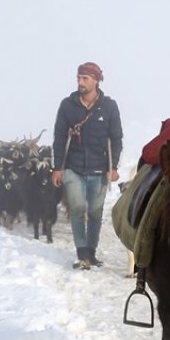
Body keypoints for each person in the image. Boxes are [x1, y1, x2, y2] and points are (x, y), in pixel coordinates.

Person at [52, 61, 123, 269]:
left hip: (100, 169)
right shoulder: (67, 105)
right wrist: (57, 167)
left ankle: (91, 252)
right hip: (73, 167)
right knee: (76, 207)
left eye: (85, 78)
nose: (80, 82)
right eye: (78, 78)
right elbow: (58, 137)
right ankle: (81, 252)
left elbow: (116, 138)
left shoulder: (109, 107)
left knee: (94, 212)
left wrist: (114, 166)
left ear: (96, 81)